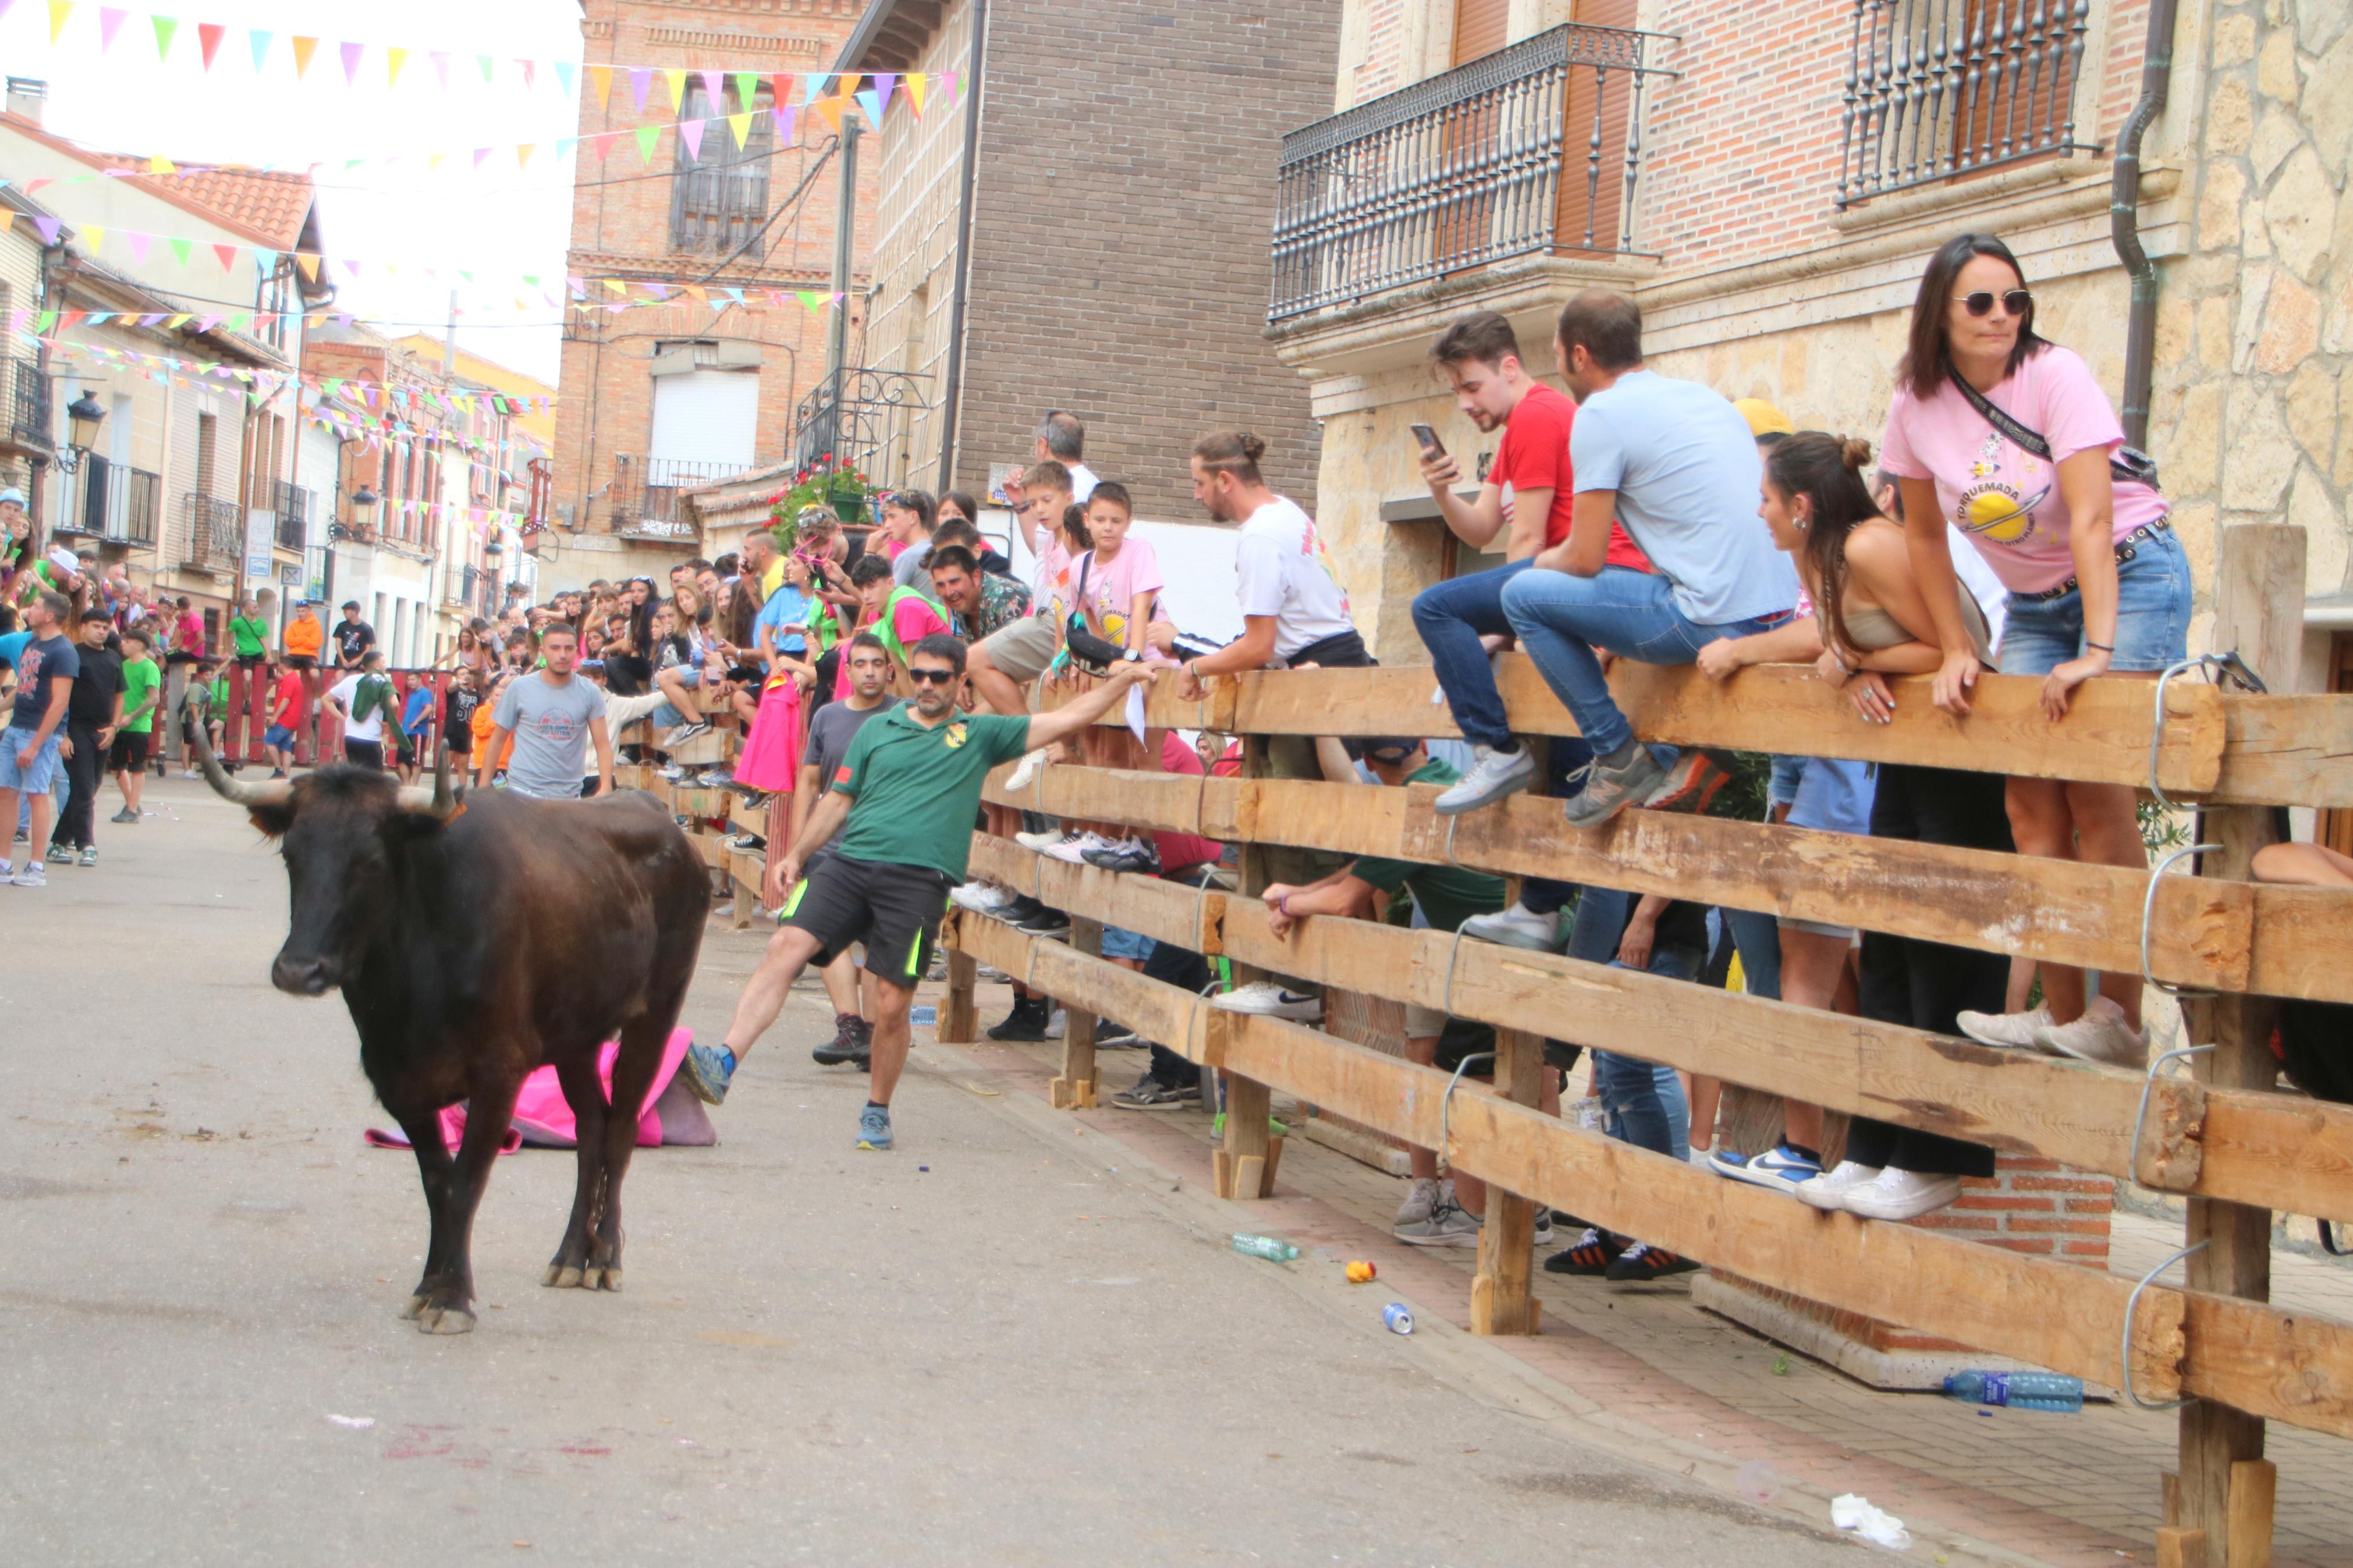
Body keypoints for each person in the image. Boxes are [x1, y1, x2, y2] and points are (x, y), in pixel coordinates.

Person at [1880, 232, 2188, 1068]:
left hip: (2127, 576)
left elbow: (2091, 517)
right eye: (1979, 302)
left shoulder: (2054, 375)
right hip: (2030, 603)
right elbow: (1920, 537)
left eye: (2013, 300)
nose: (2000, 316)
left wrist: (2096, 647)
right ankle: (2061, 1012)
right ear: (1938, 312)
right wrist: (1952, 646)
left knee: (2094, 798)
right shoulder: (1915, 403)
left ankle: (2116, 1019)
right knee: (2027, 806)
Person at [679, 636, 1160, 1152]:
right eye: (921, 675)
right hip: (849, 864)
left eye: (939, 677)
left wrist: (1122, 680)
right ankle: (724, 1061)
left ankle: (877, 1108)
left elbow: (1064, 721)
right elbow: (837, 799)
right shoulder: (877, 730)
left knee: (890, 1005)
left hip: (918, 881)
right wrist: (796, 855)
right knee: (783, 947)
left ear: (960, 682)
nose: (927, 685)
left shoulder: (979, 734)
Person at [1700, 432, 2010, 1222]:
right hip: (1908, 756)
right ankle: (1872, 1146)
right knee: (1884, 957)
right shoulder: (1826, 559)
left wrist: (1864, 662)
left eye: (1766, 498)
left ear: (1800, 506)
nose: (1759, 512)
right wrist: (1741, 651)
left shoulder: (1872, 544)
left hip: (1960, 755)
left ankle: (1931, 1156)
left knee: (1936, 956)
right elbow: (1830, 637)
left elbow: (1958, 646)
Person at [1494, 290, 1801, 826]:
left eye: (1557, 351)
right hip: (1776, 613)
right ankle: (1670, 755)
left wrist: (1534, 565)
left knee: (1520, 596)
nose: (1558, 361)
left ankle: (1618, 757)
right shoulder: (1701, 398)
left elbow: (1585, 558)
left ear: (1579, 355)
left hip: (1713, 620)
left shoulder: (1599, 415)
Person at [1254, 738, 1563, 1250]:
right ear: (1421, 743)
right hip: (1532, 941)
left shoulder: (1413, 810)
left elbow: (1348, 898)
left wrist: (1288, 900)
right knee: (1537, 1071)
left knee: (1472, 1077)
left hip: (1490, 957)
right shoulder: (1444, 780)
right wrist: (1300, 896)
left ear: (1368, 764)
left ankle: (1473, 1210)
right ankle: (1534, 1206)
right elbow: (1361, 873)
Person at [1410, 310, 1645, 951]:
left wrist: (1506, 629)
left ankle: (1493, 751)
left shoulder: (1540, 415)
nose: (1463, 403)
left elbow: (1527, 539)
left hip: (1584, 581)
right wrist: (1440, 493)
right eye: (1457, 392)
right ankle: (1539, 908)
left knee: (1435, 609)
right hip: (1573, 589)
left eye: (1470, 387)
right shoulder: (1519, 428)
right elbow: (1481, 528)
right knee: (1565, 747)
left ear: (1509, 367)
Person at [791, 633, 902, 1068]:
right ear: (849, 670)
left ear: (889, 669)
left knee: (878, 944)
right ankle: (849, 1024)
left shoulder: (904, 715)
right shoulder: (827, 716)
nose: (870, 670)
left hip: (888, 847)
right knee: (823, 934)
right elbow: (809, 781)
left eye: (878, 662)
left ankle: (873, 1034)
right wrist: (798, 844)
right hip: (831, 845)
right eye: (861, 663)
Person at [964, 460, 1077, 717]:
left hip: (1058, 627)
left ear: (1069, 498)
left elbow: (1070, 603)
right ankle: (1025, 729)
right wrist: (1020, 503)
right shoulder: (1049, 538)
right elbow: (1032, 536)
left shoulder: (1075, 539)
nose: (1040, 509)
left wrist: (1063, 650)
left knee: (975, 660)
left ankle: (1027, 732)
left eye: (1047, 500)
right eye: (1034, 503)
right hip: (1045, 621)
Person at [477, 624, 613, 801]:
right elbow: (497, 739)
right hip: (523, 794)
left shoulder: (590, 692)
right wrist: (483, 788)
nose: (563, 655)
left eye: (569, 648)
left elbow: (603, 745)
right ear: (543, 651)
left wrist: (606, 786)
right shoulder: (520, 687)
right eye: (555, 648)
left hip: (569, 797)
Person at [44, 607, 123, 869]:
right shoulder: (73, 656)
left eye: (105, 627)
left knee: (89, 788)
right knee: (84, 789)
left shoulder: (113, 659)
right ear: (83, 628)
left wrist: (114, 727)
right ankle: (87, 845)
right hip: (76, 729)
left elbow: (119, 695)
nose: (101, 631)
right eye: (96, 626)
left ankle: (58, 843)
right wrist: (62, 734)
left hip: (103, 731)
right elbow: (59, 696)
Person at [846, 553, 952, 691]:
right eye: (861, 590)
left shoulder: (906, 608)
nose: (866, 596)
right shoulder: (881, 613)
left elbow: (914, 668)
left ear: (890, 584)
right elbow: (900, 668)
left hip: (944, 676)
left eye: (871, 587)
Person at [928, 541, 1032, 644]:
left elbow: (1021, 654)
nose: (949, 592)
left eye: (954, 582)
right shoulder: (961, 600)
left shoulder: (1005, 599)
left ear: (976, 577)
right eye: (941, 585)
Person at [107, 627, 161, 824]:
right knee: (116, 766)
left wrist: (132, 716)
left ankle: (131, 808)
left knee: (136, 767)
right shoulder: (124, 665)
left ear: (139, 645)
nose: (123, 644)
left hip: (139, 725)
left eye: (127, 641)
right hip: (119, 723)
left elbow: (154, 698)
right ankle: (132, 803)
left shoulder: (149, 667)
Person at [326, 651, 399, 770]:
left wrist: (344, 719)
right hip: (370, 738)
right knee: (374, 780)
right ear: (376, 666)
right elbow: (395, 704)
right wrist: (389, 722)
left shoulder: (350, 680)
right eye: (383, 662)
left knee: (355, 777)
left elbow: (326, 699)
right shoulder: (381, 681)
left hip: (351, 736)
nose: (385, 665)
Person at [881, 490, 940, 596]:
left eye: (892, 517)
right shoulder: (938, 549)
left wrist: (870, 552)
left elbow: (885, 601)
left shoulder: (908, 557)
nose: (887, 525)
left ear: (913, 517)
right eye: (886, 519)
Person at [177, 656, 221, 777]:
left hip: (200, 717)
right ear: (201, 675)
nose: (210, 676)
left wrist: (228, 660)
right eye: (207, 674)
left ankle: (216, 751)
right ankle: (187, 770)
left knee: (219, 725)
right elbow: (193, 705)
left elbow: (219, 671)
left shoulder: (206, 683)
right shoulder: (196, 687)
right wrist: (197, 723)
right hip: (190, 718)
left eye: (211, 674)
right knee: (188, 743)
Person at [264, 657, 304, 778]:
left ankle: (279, 769)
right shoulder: (295, 679)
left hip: (285, 719)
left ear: (283, 665)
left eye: (279, 664)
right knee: (286, 748)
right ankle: (285, 776)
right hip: (293, 719)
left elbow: (285, 700)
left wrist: (275, 717)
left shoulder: (289, 681)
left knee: (269, 741)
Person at [333, 600, 375, 671]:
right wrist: (343, 659)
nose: (344, 614)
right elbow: (338, 644)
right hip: (344, 657)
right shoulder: (341, 626)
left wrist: (358, 660)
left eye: (346, 612)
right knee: (340, 677)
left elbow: (369, 648)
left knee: (355, 677)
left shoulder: (367, 628)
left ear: (354, 612)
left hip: (359, 658)